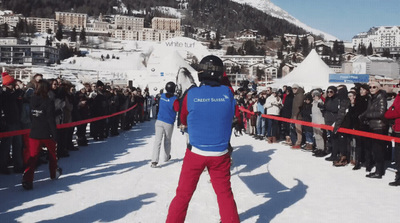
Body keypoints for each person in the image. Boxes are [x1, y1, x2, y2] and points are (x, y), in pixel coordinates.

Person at [166, 55, 240, 223]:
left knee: (183, 195)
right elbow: (231, 114)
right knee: (224, 194)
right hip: (220, 154)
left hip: (196, 153)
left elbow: (183, 119)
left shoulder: (192, 94)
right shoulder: (228, 93)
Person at [22, 79, 61, 190]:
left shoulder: (32, 100)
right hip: (47, 133)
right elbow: (50, 119)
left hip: (34, 132)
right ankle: (53, 174)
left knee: (32, 157)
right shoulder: (48, 101)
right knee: (52, 155)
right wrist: (55, 134)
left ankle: (28, 180)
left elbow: (31, 116)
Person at [360, 82, 388, 179]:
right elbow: (369, 110)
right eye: (370, 87)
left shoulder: (381, 97)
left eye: (374, 87)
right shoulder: (372, 98)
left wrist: (367, 116)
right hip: (372, 126)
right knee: (374, 150)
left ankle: (379, 171)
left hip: (379, 127)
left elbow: (381, 113)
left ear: (378, 88)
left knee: (378, 150)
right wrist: (362, 115)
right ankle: (378, 170)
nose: (371, 89)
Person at [150, 81, 178, 168]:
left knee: (157, 141)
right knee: (167, 140)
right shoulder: (175, 99)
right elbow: (177, 109)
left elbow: (159, 98)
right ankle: (166, 157)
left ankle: (154, 161)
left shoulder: (162, 96)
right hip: (168, 123)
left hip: (159, 121)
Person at [384, 90, 400, 186]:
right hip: (397, 128)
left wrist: (391, 111)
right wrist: (392, 110)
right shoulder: (398, 96)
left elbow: (396, 111)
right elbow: (392, 108)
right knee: (398, 155)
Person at [290, 84, 305, 149]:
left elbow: (298, 106)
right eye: (293, 88)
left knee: (299, 130)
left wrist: (295, 115)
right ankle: (297, 141)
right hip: (295, 115)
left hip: (298, 116)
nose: (294, 90)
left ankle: (298, 143)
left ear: (298, 89)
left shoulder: (300, 95)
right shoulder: (296, 95)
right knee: (296, 129)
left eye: (295, 88)